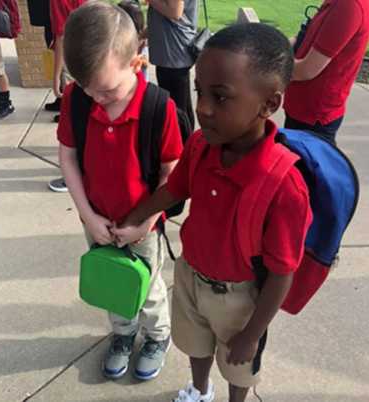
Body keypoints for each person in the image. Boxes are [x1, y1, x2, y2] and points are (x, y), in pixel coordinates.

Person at [114, 23, 312, 402]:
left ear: (269, 104)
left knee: (239, 364)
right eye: (200, 92)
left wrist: (252, 334)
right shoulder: (202, 145)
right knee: (195, 345)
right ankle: (200, 390)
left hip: (239, 299)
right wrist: (136, 215)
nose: (202, 108)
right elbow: (175, 189)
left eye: (220, 97)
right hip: (190, 275)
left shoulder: (284, 185)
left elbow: (282, 273)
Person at [57, 1, 183, 380]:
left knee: (147, 287)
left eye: (106, 90)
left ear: (136, 61)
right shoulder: (77, 100)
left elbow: (170, 174)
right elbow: (68, 158)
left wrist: (147, 222)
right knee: (113, 282)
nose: (97, 98)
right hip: (97, 219)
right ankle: (123, 334)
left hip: (142, 222)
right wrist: (88, 216)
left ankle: (157, 335)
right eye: (86, 88)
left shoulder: (158, 108)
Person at [283, 0, 369, 145]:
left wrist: (264, 66)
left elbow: (306, 70)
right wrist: (272, 46)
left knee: (305, 165)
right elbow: (303, 37)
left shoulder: (349, 5)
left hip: (313, 117)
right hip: (302, 108)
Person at [46, 0, 87, 192]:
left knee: (76, 125)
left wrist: (55, 76)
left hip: (73, 64)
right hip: (88, 58)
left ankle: (76, 176)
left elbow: (63, 37)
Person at [147, 0, 198, 131]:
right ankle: (187, 144)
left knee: (176, 109)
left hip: (173, 52)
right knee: (181, 106)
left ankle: (182, 146)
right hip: (172, 52)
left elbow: (175, 12)